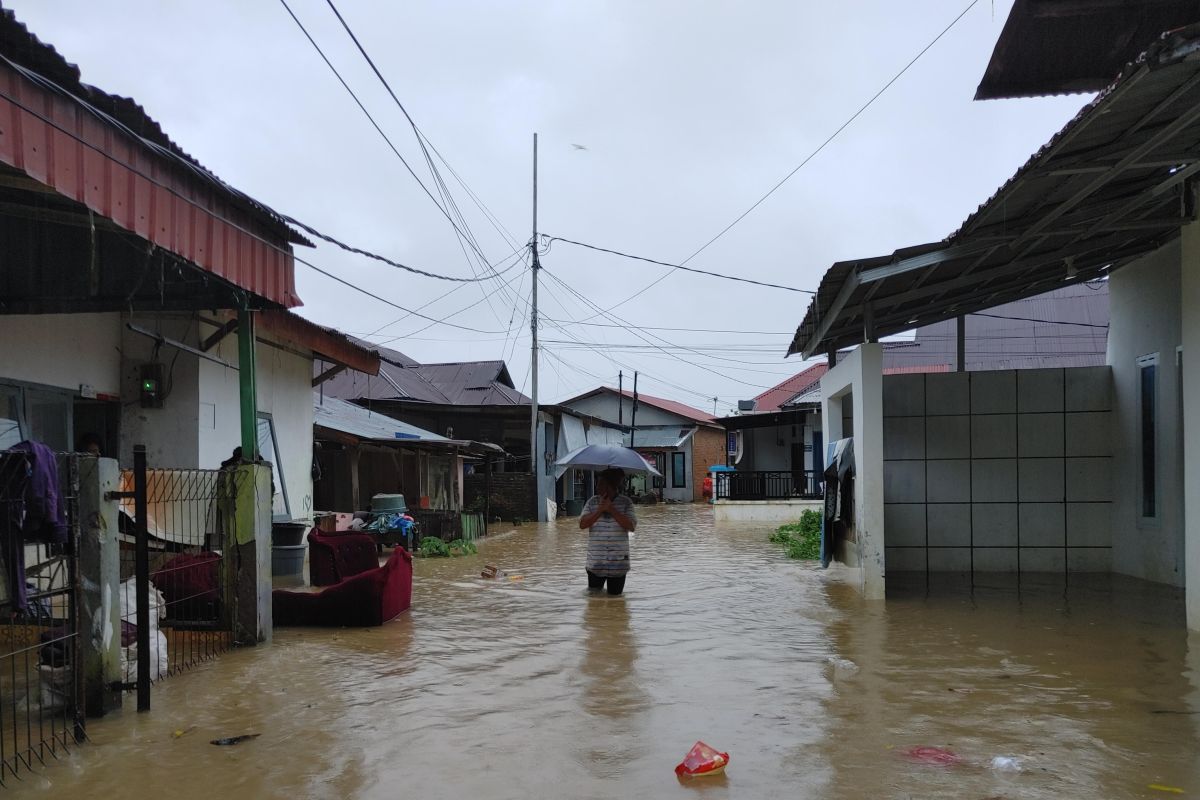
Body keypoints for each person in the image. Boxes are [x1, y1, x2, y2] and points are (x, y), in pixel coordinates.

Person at [578, 468, 637, 596]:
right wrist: (599, 510)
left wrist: (611, 509)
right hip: (596, 563)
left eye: (600, 484)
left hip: (619, 564)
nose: (597, 487)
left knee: (616, 603)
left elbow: (631, 526)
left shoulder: (626, 503)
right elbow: (582, 524)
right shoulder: (592, 502)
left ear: (609, 486)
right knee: (593, 603)